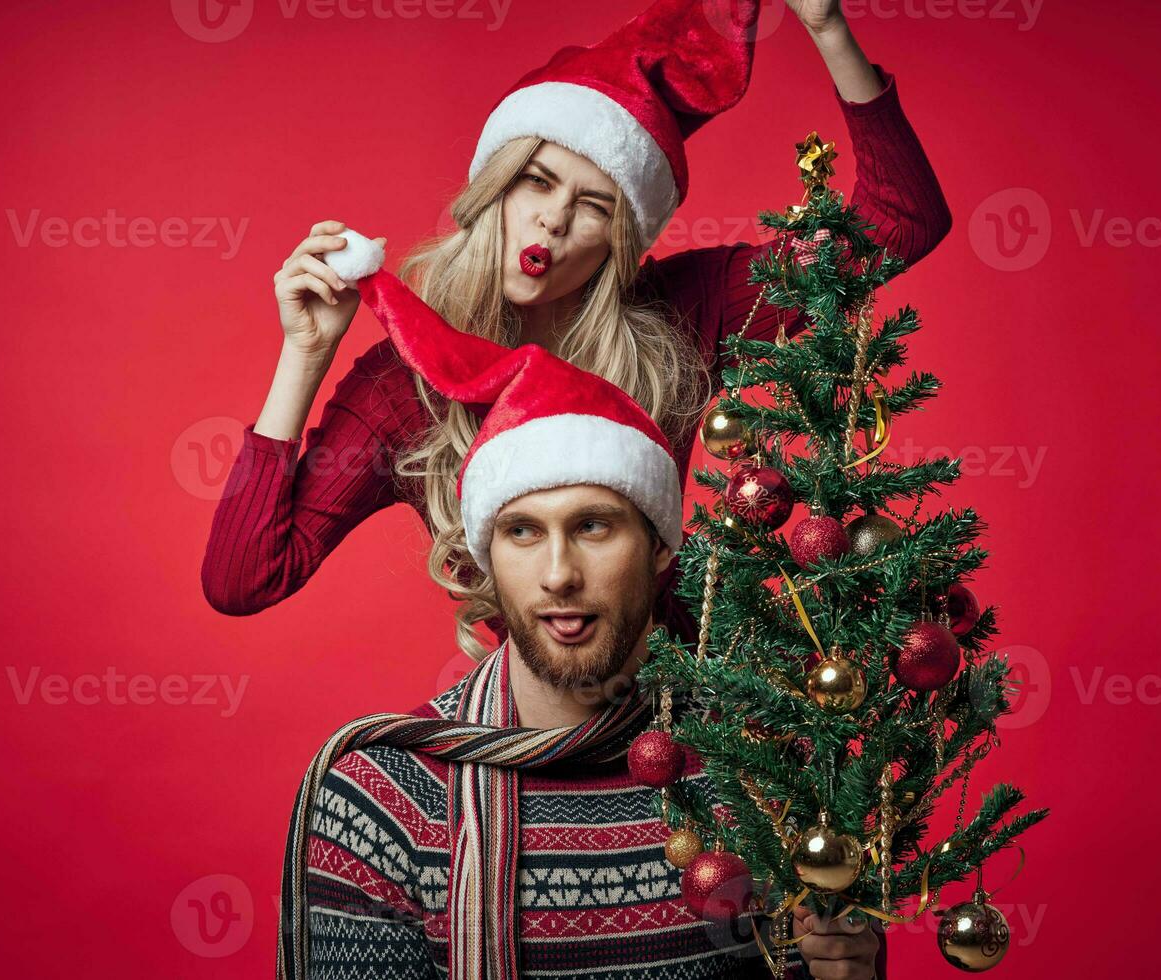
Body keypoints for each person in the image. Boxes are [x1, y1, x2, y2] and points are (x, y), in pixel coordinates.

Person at [203, 0, 953, 657]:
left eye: (594, 205)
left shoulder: (684, 312)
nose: (554, 218)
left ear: (621, 237)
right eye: (536, 181)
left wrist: (825, 27)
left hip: (696, 723)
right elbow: (243, 581)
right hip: (535, 721)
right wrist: (305, 353)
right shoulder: (405, 384)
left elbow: (903, 220)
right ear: (493, 189)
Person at [280, 263, 885, 979]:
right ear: (486, 559)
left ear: (662, 547)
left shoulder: (759, 776)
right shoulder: (383, 802)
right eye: (523, 533)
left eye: (593, 527)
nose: (559, 574)